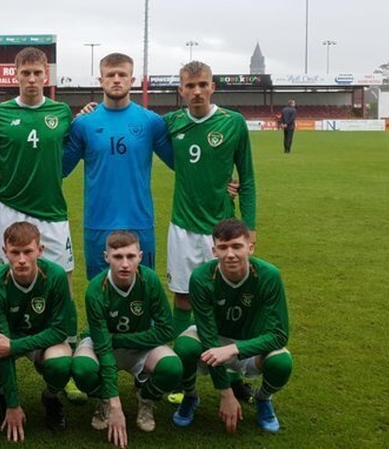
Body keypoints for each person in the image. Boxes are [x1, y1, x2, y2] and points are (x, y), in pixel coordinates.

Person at [0, 47, 86, 403]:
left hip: (52, 213)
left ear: (47, 75)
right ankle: (1, 363)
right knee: (4, 284)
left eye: (37, 73)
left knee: (65, 285)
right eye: (24, 73)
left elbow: (76, 151)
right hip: (10, 210)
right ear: (15, 74)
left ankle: (67, 362)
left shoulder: (61, 113)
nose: (31, 79)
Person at [164, 61, 257, 402]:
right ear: (181, 90)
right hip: (182, 228)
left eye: (203, 84)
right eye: (190, 86)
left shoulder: (233, 123)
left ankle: (232, 376)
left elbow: (246, 178)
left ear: (213, 86)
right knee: (184, 298)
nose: (197, 91)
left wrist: (250, 224)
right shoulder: (171, 123)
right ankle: (182, 376)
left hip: (223, 233)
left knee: (225, 303)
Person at [172, 219, 292, 434]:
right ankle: (190, 396)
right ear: (214, 250)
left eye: (237, 246)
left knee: (281, 362)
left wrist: (235, 349)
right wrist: (225, 392)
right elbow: (208, 335)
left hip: (252, 343)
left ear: (250, 247)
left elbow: (279, 335)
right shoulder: (201, 278)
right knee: (184, 347)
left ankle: (263, 399)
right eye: (223, 247)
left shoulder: (269, 275)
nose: (230, 254)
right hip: (214, 340)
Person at [63, 52, 173, 279]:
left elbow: (181, 163)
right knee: (99, 292)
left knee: (143, 291)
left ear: (132, 80)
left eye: (122, 74)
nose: (116, 79)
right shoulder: (84, 124)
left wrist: (223, 180)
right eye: (110, 75)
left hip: (139, 222)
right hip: (98, 223)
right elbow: (60, 169)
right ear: (100, 80)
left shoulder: (151, 122)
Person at [70, 231, 181, 447]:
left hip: (136, 345)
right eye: (118, 256)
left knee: (172, 367)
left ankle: (145, 397)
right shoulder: (95, 289)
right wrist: (115, 404)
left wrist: (119, 339)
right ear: (106, 257)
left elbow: (167, 331)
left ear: (140, 256)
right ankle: (103, 400)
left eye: (130, 256)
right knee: (82, 368)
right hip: (103, 345)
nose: (125, 264)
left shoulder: (149, 280)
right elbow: (102, 347)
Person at [0, 222, 77, 442]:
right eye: (15, 252)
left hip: (44, 336)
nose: (21, 259)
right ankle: (0, 395)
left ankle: (50, 397)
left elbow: (59, 330)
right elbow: (2, 343)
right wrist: (12, 403)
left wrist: (16, 346)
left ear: (40, 250)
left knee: (61, 364)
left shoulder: (55, 275)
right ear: (4, 252)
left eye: (28, 251)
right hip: (9, 335)